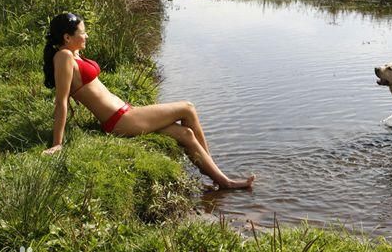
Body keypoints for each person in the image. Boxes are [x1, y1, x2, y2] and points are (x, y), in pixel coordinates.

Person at [42, 12, 254, 189]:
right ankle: (218, 174)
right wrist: (57, 144)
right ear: (67, 37)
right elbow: (61, 101)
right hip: (120, 120)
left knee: (186, 134)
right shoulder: (64, 57)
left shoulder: (73, 54)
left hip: (126, 113)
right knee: (188, 108)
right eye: (82, 32)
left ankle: (221, 180)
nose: (86, 35)